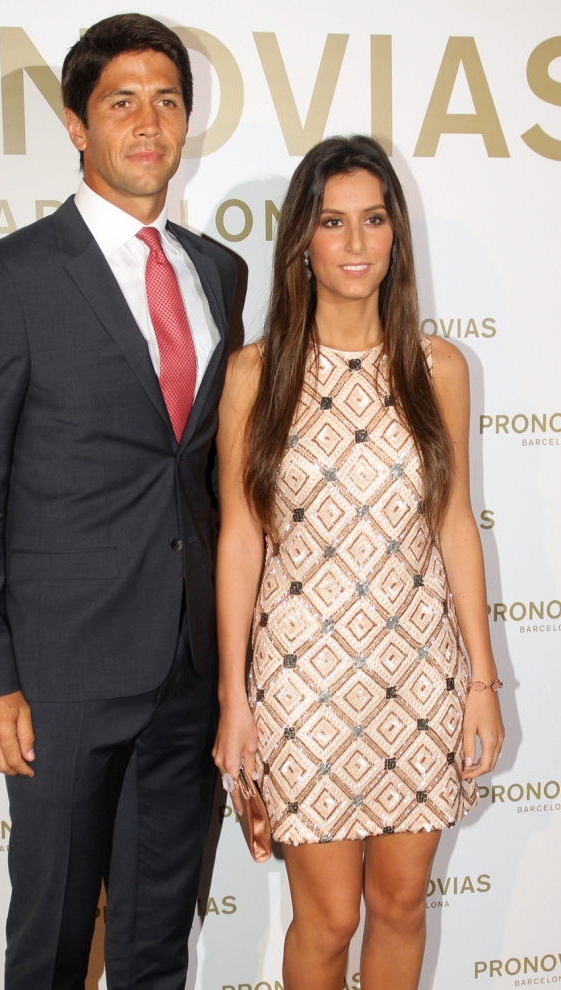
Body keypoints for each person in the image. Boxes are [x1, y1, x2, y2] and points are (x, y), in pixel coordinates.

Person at [0, 14, 237, 990]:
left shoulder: (219, 273)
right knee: (53, 941)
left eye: (167, 101)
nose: (148, 124)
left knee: (156, 946)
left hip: (186, 674)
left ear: (187, 119)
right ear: (76, 124)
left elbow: (207, 478)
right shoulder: (10, 280)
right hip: (59, 680)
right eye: (121, 103)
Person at [213, 135, 504, 990]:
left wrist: (479, 682)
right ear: (302, 238)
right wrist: (236, 698)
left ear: (395, 236)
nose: (354, 242)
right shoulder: (254, 376)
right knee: (331, 916)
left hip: (417, 672)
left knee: (404, 902)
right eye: (333, 222)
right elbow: (240, 538)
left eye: (373, 220)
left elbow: (455, 523)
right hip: (302, 683)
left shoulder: (438, 367)